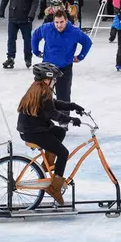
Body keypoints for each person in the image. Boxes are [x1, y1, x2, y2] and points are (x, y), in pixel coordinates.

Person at [17, 63, 85, 205]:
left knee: (59, 131)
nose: (55, 82)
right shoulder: (42, 92)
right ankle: (55, 188)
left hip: (33, 129)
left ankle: (47, 161)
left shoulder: (38, 88)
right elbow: (52, 113)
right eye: (54, 79)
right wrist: (70, 119)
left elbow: (52, 104)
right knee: (63, 153)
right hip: (34, 132)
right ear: (47, 79)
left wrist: (72, 106)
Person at [31, 10, 92, 104]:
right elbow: (35, 36)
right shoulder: (46, 28)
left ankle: (64, 117)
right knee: (42, 97)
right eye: (57, 22)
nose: (59, 25)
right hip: (47, 68)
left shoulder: (74, 31)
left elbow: (87, 42)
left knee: (64, 99)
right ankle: (43, 117)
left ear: (66, 21)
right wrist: (36, 51)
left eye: (61, 22)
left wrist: (80, 57)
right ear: (53, 21)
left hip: (64, 68)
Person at [0, 0, 38, 69]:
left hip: (26, 18)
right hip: (13, 17)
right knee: (11, 39)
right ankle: (11, 58)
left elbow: (35, 2)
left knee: (27, 39)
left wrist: (31, 14)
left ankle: (28, 58)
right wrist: (1, 10)